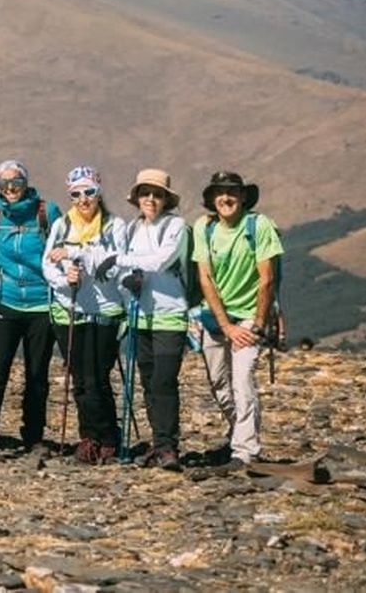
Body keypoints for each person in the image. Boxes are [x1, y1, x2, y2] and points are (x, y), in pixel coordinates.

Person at [0, 160, 62, 452]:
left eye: (17, 182)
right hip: (5, 302)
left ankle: (33, 436)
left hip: (40, 305)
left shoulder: (47, 212)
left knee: (37, 374)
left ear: (26, 182)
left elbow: (64, 243)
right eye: (4, 184)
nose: (11, 189)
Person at [193, 171, 283, 468]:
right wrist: (225, 326)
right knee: (219, 383)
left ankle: (245, 451)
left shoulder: (259, 226)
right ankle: (238, 433)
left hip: (248, 318)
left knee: (242, 381)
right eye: (219, 192)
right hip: (217, 319)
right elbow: (205, 278)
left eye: (232, 192)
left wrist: (257, 324)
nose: (225, 197)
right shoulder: (203, 228)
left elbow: (266, 279)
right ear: (212, 199)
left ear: (243, 196)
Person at [43, 165, 127, 464]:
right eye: (76, 194)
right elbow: (48, 265)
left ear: (98, 191)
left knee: (98, 378)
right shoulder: (62, 226)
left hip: (106, 310)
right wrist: (65, 279)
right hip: (71, 309)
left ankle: (107, 436)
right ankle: (89, 437)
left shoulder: (114, 226)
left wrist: (76, 255)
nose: (83, 199)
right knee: (80, 379)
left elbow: (115, 264)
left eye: (89, 192)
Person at [115, 168, 192, 469]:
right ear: (137, 198)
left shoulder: (177, 227)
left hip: (170, 315)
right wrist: (126, 280)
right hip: (140, 317)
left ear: (166, 200)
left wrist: (121, 262)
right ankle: (161, 445)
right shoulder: (132, 229)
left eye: (157, 194)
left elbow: (163, 260)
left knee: (163, 381)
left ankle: (168, 446)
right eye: (145, 193)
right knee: (149, 381)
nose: (150, 199)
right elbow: (125, 273)